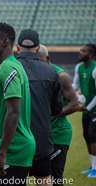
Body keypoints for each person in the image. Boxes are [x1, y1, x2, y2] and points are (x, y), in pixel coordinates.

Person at [0, 22, 36, 186]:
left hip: (14, 148)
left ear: (5, 42)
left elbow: (14, 112)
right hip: (18, 147)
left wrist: (2, 153)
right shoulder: (13, 66)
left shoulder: (8, 67)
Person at [16, 29, 63, 186]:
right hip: (42, 139)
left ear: (17, 47)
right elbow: (57, 108)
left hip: (15, 139)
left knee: (13, 181)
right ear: (37, 49)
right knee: (43, 181)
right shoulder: (51, 71)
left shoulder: (7, 69)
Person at [38, 44, 79, 185]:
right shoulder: (35, 74)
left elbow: (74, 104)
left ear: (47, 58)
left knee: (55, 179)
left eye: (39, 60)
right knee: (41, 178)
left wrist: (50, 116)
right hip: (40, 135)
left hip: (58, 134)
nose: (35, 65)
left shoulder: (61, 76)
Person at [72, 44, 96, 177]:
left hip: (93, 108)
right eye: (80, 50)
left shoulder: (95, 69)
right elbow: (75, 85)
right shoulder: (79, 67)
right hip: (86, 109)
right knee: (87, 136)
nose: (80, 52)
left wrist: (89, 107)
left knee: (93, 136)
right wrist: (65, 89)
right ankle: (92, 166)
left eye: (83, 51)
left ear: (91, 54)